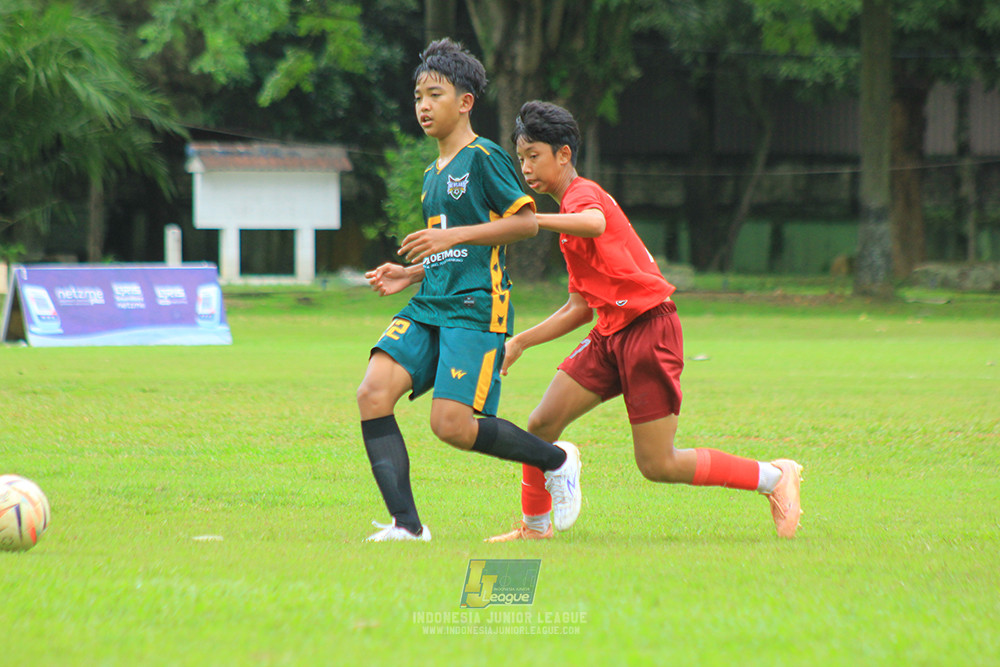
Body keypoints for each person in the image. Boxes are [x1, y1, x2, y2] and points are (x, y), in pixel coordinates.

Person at [486, 100, 802, 542]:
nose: (526, 168)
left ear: (564, 155)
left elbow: (594, 223)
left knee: (658, 464)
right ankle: (536, 528)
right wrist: (520, 342)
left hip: (650, 329)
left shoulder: (582, 195)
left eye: (534, 156)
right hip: (609, 334)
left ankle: (774, 477)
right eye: (521, 159)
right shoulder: (567, 221)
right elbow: (580, 307)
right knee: (540, 425)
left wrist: (529, 221)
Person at [357, 41, 582, 542]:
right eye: (417, 96)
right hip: (431, 301)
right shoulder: (429, 175)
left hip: (475, 306)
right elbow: (452, 246)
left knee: (452, 426)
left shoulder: (484, 157)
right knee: (373, 392)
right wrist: (410, 273)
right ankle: (407, 527)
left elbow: (524, 224)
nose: (422, 105)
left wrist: (450, 237)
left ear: (465, 102)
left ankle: (557, 460)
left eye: (434, 94)